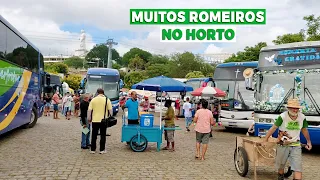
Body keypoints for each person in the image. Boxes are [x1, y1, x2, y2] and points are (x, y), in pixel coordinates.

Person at [262, 98, 312, 180]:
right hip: (282, 145)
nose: (295, 110)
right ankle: (280, 176)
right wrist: (265, 139)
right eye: (293, 108)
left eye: (297, 108)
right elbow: (273, 128)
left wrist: (309, 142)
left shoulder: (302, 117)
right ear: (288, 108)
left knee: (297, 168)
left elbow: (304, 130)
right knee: (281, 166)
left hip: (296, 145)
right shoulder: (282, 116)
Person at [87, 88, 112, 154]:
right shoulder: (107, 100)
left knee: (94, 135)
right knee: (103, 135)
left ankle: (93, 149)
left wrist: (89, 118)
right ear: (103, 93)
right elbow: (110, 110)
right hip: (103, 120)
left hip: (95, 120)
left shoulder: (93, 100)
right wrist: (109, 116)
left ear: (97, 93)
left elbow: (89, 110)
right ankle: (102, 149)